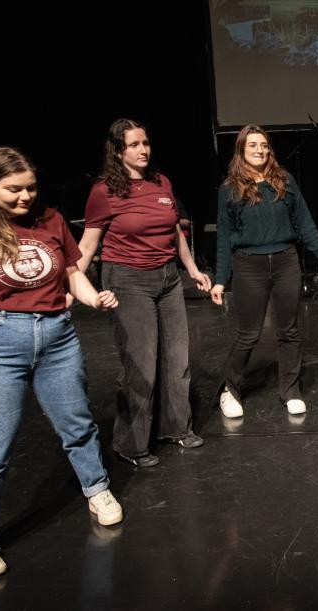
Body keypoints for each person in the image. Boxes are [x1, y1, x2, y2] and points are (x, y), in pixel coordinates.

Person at [0, 148, 123, 580]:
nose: (25, 196)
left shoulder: (50, 220)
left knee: (77, 423)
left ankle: (97, 490)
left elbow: (72, 274)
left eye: (30, 187)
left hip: (56, 337)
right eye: (14, 189)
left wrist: (93, 298)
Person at [77, 119, 211, 468]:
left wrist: (193, 270)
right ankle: (130, 443)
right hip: (127, 279)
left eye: (146, 143)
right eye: (134, 144)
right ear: (118, 151)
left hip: (167, 279)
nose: (143, 150)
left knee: (177, 359)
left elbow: (176, 233)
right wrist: (72, 283)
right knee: (141, 365)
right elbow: (88, 244)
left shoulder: (161, 182)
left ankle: (175, 427)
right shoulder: (104, 191)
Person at [210, 124, 318, 418]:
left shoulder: (285, 181)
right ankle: (230, 389)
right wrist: (220, 280)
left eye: (264, 145)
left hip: (285, 262)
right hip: (248, 265)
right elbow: (224, 236)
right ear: (241, 150)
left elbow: (305, 222)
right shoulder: (230, 188)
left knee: (289, 332)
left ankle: (290, 390)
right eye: (253, 145)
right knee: (248, 335)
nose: (259, 150)